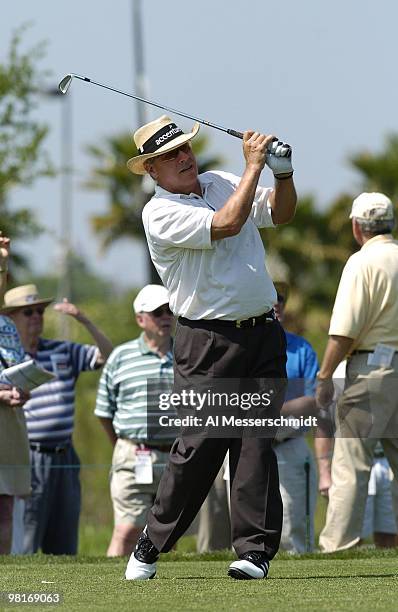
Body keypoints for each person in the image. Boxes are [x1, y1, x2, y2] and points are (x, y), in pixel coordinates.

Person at [124, 114, 297, 580]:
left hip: (262, 333)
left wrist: (282, 173)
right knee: (200, 446)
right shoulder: (158, 212)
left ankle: (254, 552)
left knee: (256, 442)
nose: (182, 158)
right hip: (208, 341)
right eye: (167, 156)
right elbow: (226, 223)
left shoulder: (220, 180)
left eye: (183, 149)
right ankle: (152, 541)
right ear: (152, 171)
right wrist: (255, 166)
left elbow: (280, 214)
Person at [0, 284, 113, 555]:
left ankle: (67, 593)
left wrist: (84, 319)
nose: (37, 316)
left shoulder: (62, 350)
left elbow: (109, 356)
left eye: (40, 310)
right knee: (24, 542)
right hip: (29, 454)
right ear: (11, 319)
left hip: (65, 455)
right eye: (28, 312)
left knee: (64, 544)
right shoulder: (7, 361)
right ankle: (19, 595)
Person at [316, 192, 398, 552]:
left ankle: (339, 545)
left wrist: (324, 375)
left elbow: (344, 331)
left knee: (351, 461)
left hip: (373, 369)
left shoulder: (362, 262)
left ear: (356, 227)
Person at [95, 284, 176, 557]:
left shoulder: (189, 355)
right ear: (141, 319)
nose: (166, 317)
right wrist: (123, 444)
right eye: (158, 312)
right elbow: (104, 411)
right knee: (128, 530)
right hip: (134, 455)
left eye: (170, 311)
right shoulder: (121, 356)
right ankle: (109, 592)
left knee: (169, 535)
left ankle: (167, 595)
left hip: (178, 456)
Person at [272, 279, 319, 553]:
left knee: (295, 530)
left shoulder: (301, 349)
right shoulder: (242, 347)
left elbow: (315, 399)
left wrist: (273, 409)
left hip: (290, 445)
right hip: (248, 445)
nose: (277, 302)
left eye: (281, 298)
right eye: (271, 297)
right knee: (246, 525)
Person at [0, 236, 30, 554]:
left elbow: (19, 370)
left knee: (6, 506)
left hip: (11, 424)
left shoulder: (7, 327)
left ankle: (4, 571)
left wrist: (24, 390)